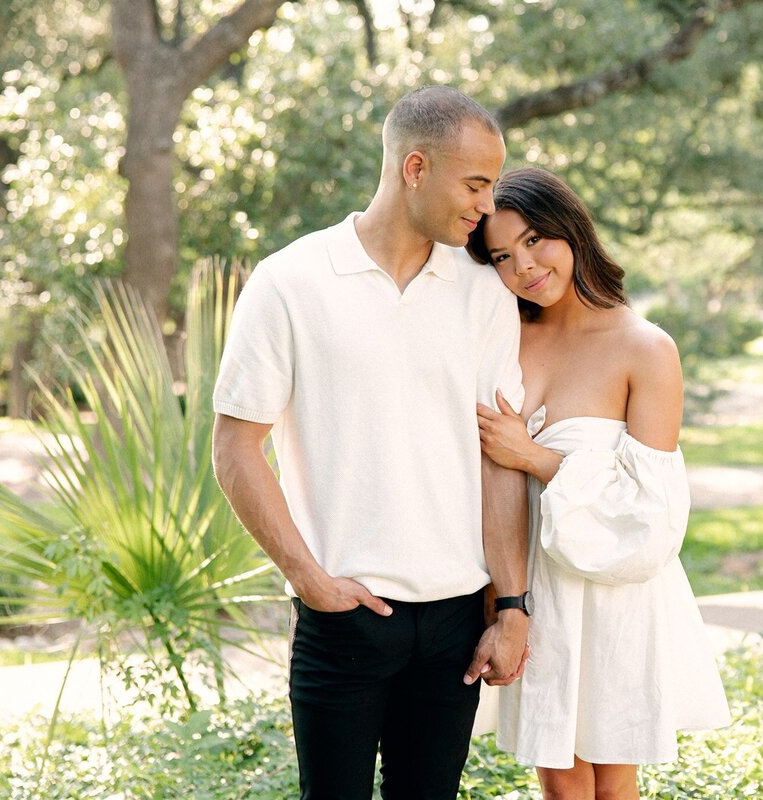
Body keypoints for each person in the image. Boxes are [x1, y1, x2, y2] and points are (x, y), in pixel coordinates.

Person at [211, 86, 531, 800]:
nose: (486, 206)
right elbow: (235, 449)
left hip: (456, 620)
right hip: (343, 618)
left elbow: (499, 459)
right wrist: (308, 579)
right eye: (475, 184)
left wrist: (510, 606)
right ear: (415, 167)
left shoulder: (484, 293)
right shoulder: (291, 282)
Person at [466, 167, 730, 799]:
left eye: (535, 240)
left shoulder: (645, 348)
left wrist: (536, 458)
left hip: (616, 586)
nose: (524, 266)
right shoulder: (503, 338)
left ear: (571, 231)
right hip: (530, 585)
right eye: (502, 256)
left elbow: (654, 513)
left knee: (612, 782)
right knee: (559, 784)